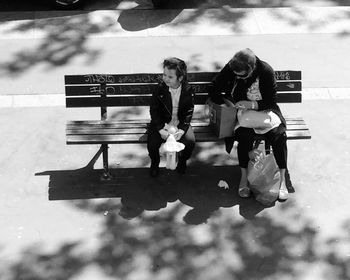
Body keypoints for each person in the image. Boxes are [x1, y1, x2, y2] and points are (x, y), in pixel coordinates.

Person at [209, 48, 289, 200]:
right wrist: (228, 104)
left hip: (266, 112)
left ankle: (282, 179)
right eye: (236, 75)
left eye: (242, 75)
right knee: (243, 136)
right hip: (241, 115)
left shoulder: (265, 71)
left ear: (251, 68)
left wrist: (251, 104)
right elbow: (215, 87)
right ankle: (244, 177)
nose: (238, 77)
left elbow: (271, 101)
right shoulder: (233, 67)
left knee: (279, 136)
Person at [147, 57, 195, 177]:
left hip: (179, 123)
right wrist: (160, 128)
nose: (165, 79)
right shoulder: (159, 89)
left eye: (170, 77)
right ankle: (155, 162)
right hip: (162, 122)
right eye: (164, 75)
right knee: (152, 143)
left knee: (190, 142)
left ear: (180, 78)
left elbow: (189, 110)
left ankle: (182, 161)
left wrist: (183, 129)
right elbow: (154, 110)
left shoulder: (187, 89)